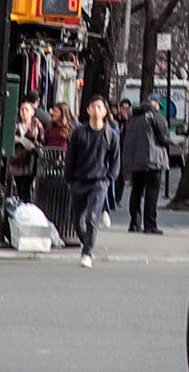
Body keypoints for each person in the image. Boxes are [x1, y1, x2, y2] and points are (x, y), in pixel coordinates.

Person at [63, 96, 121, 268]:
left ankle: (87, 252)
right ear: (88, 110)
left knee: (92, 218)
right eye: (93, 107)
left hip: (99, 182)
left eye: (99, 107)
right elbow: (70, 158)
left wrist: (110, 178)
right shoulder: (79, 133)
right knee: (77, 219)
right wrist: (69, 178)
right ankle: (86, 240)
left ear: (104, 112)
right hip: (79, 181)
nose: (96, 110)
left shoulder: (111, 135)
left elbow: (116, 159)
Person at [121, 98, 173, 234]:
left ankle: (134, 223)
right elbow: (162, 138)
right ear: (154, 104)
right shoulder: (156, 117)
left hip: (135, 160)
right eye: (158, 105)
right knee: (152, 192)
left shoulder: (132, 117)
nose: (158, 108)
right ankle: (150, 224)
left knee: (136, 191)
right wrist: (172, 142)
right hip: (153, 160)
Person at [7, 99, 44, 203]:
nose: (24, 112)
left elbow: (42, 141)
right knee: (19, 187)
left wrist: (34, 146)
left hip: (31, 161)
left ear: (32, 112)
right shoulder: (16, 126)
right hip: (17, 161)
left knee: (26, 186)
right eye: (22, 110)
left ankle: (27, 207)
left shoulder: (36, 126)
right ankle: (21, 207)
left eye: (26, 110)